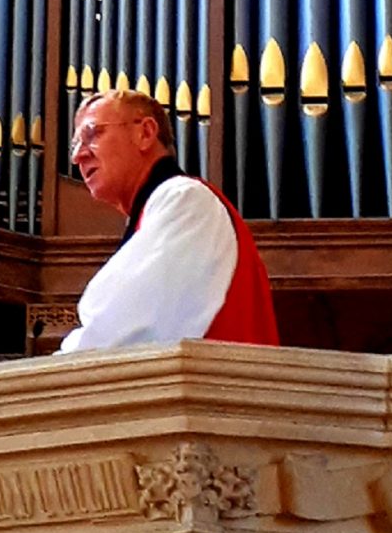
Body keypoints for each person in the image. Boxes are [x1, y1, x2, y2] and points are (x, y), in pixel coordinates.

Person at [58, 89, 280, 353]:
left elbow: (120, 327)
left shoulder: (186, 200)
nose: (77, 156)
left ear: (146, 133)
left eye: (92, 134)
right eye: (75, 145)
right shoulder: (162, 209)